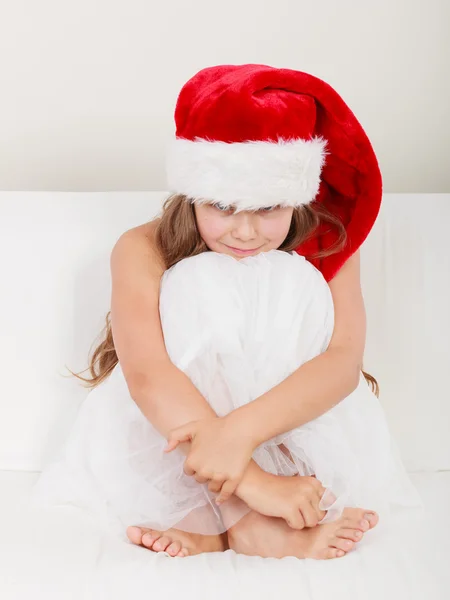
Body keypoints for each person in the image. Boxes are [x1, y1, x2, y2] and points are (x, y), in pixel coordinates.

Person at [29, 64, 423, 561]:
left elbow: (343, 361)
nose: (244, 232)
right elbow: (147, 373)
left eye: (268, 209)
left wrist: (238, 438)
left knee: (287, 279)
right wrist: (255, 484)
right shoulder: (140, 248)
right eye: (222, 206)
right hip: (167, 430)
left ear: (298, 197)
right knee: (197, 282)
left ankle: (222, 530)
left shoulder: (330, 244)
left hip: (286, 425)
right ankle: (246, 520)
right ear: (192, 193)